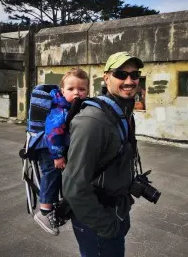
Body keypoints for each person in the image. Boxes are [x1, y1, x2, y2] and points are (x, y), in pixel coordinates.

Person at [62, 52, 144, 256]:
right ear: (106, 78)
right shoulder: (93, 121)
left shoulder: (120, 112)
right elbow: (74, 187)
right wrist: (108, 227)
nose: (129, 80)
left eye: (134, 75)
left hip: (116, 211)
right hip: (98, 222)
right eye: (121, 74)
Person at [34, 68, 89, 236]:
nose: (76, 93)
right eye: (71, 89)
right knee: (51, 174)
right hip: (49, 150)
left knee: (59, 176)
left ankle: (54, 206)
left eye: (81, 89)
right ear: (62, 90)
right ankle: (44, 210)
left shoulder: (74, 106)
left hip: (56, 150)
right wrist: (57, 156)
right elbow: (54, 133)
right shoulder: (60, 109)